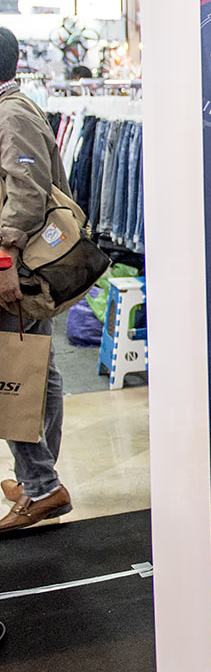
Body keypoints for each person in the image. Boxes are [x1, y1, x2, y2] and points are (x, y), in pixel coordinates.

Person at [0, 29, 72, 534]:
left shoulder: (12, 115)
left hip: (17, 268)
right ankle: (37, 480)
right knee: (35, 371)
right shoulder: (12, 109)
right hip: (17, 265)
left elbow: (25, 194)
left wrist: (4, 260)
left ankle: (43, 487)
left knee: (13, 375)